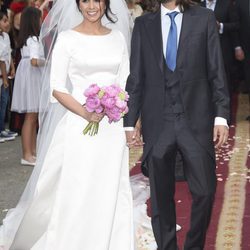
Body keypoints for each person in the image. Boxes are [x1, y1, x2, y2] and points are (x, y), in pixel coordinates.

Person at [0, 0, 134, 249]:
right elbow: (57, 87)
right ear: (78, 5)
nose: (92, 6)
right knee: (78, 185)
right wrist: (85, 112)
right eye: (85, 1)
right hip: (78, 124)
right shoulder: (68, 39)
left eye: (97, 0)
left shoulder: (117, 38)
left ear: (106, 3)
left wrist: (120, 110)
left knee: (108, 185)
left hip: (111, 127)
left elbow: (125, 81)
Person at [124, 0, 230, 249]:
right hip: (158, 123)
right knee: (160, 199)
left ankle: (194, 245)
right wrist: (130, 122)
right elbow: (136, 76)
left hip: (195, 120)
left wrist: (221, 116)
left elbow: (217, 70)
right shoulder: (143, 25)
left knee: (204, 191)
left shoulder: (203, 18)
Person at [11, 7, 44, 166]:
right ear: (34, 21)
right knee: (31, 117)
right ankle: (27, 154)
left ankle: (31, 152)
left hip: (28, 74)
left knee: (31, 117)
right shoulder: (33, 39)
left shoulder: (27, 39)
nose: (41, 21)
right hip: (31, 75)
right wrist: (49, 61)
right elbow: (34, 61)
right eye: (39, 18)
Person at [0, 11, 16, 143]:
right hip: (1, 76)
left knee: (4, 103)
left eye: (7, 20)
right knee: (1, 103)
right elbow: (0, 60)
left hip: (5, 74)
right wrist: (5, 78)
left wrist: (12, 67)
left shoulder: (5, 36)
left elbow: (8, 54)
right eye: (4, 20)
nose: (7, 23)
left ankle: (2, 129)